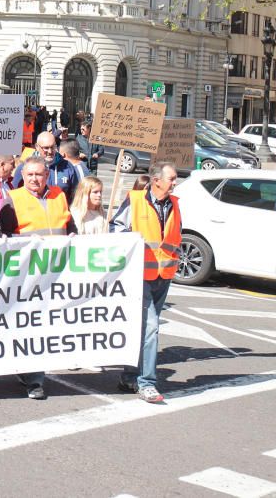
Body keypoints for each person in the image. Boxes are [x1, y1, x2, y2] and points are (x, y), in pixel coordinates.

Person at [0, 156, 75, 400]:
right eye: (30, 174)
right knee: (33, 326)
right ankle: (35, 380)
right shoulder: (14, 198)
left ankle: (27, 369)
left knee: (48, 325)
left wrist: (74, 238)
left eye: (39, 174)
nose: (34, 179)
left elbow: (69, 227)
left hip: (58, 273)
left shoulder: (59, 196)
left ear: (47, 176)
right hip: (28, 274)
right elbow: (5, 235)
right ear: (23, 176)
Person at [110, 162, 181, 404]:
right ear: (156, 180)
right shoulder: (136, 200)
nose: (175, 182)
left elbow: (173, 236)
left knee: (143, 329)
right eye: (171, 178)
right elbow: (116, 228)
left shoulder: (174, 204)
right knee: (151, 327)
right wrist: (131, 242)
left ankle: (129, 375)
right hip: (139, 275)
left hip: (164, 275)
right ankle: (147, 382)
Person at [12, 131, 79, 201]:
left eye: (53, 147)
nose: (50, 151)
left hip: (60, 210)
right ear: (37, 147)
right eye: (46, 148)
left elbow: (75, 195)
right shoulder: (25, 167)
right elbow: (15, 195)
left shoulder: (67, 166)